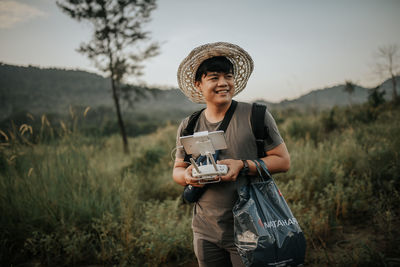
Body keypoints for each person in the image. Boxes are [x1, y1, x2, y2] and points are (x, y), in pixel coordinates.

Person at [172, 42, 290, 267]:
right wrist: (188, 177)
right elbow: (177, 171)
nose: (223, 83)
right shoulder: (189, 125)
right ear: (198, 84)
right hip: (205, 231)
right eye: (214, 77)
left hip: (252, 228)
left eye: (228, 76)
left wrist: (243, 166)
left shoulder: (256, 116)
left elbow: (283, 161)